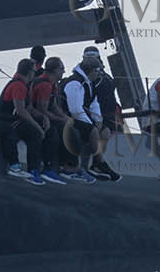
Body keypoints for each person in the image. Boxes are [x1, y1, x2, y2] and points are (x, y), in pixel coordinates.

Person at [0, 58, 47, 185]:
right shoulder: (18, 85)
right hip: (8, 121)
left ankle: (40, 167)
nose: (35, 74)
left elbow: (28, 108)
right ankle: (31, 170)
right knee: (35, 133)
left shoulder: (23, 85)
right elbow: (20, 111)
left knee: (37, 128)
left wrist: (43, 117)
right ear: (29, 72)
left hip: (13, 121)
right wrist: (38, 128)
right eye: (34, 71)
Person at [59, 48, 106, 183]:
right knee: (86, 131)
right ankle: (74, 167)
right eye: (97, 71)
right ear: (91, 70)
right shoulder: (75, 83)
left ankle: (97, 164)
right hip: (67, 118)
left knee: (103, 131)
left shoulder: (89, 82)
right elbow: (75, 110)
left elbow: (93, 102)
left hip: (70, 117)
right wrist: (91, 125)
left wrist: (98, 120)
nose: (98, 74)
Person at [30, 53, 69, 184]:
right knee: (53, 133)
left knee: (65, 126)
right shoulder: (45, 85)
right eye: (62, 68)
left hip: (40, 115)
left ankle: (64, 166)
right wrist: (61, 120)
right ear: (56, 70)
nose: (64, 71)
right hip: (34, 116)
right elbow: (43, 110)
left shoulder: (51, 83)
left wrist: (65, 118)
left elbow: (53, 106)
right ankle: (50, 168)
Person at [89, 56, 124, 182]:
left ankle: (97, 163)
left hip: (106, 115)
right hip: (97, 115)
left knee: (106, 132)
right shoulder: (92, 80)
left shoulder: (104, 78)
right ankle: (98, 163)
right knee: (98, 131)